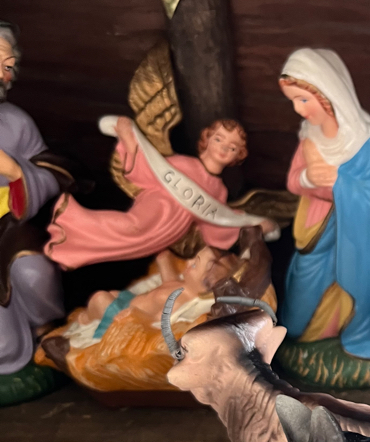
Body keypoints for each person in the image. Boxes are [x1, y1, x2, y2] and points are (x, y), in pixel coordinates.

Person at [278, 48, 370, 361]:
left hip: (355, 241)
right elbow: (293, 181)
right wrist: (308, 178)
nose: (299, 110)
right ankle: (309, 332)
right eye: (293, 101)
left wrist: (338, 184)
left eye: (303, 100)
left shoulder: (361, 143)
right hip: (313, 237)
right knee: (296, 319)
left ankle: (353, 326)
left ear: (326, 95)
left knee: (351, 287)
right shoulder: (309, 137)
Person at [45, 117, 278, 269]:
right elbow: (147, 169)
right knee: (130, 226)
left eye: (232, 147)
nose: (224, 148)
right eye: (219, 139)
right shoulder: (183, 164)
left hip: (170, 230)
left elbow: (216, 224)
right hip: (158, 206)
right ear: (206, 140)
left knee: (124, 247)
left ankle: (71, 250)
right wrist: (129, 138)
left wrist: (251, 223)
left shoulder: (219, 190)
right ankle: (70, 219)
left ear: (238, 156)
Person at [0, 21, 74, 376]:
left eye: (8, 66)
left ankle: (42, 329)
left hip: (8, 224)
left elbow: (53, 171)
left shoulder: (16, 122)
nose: (1, 75)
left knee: (34, 271)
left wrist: (17, 172)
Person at [77, 245, 239, 337]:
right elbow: (169, 282)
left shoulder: (180, 301)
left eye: (195, 265)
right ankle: (90, 316)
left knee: (100, 298)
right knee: (112, 294)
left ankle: (86, 321)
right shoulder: (184, 285)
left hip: (124, 313)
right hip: (130, 300)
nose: (188, 262)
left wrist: (133, 316)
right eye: (194, 258)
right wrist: (164, 261)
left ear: (204, 286)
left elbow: (156, 321)